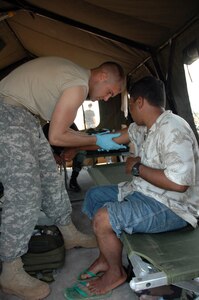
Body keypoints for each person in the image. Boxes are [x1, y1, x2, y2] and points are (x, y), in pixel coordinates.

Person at [0, 56, 126, 299]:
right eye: (110, 91)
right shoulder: (78, 84)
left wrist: (90, 140)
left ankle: (68, 232)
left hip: (26, 118)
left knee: (50, 178)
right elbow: (57, 137)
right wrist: (96, 141)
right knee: (24, 192)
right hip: (7, 114)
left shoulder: (74, 76)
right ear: (101, 76)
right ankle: (10, 270)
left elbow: (61, 131)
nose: (107, 98)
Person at [75, 76, 199, 298]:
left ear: (139, 102)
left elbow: (179, 185)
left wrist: (137, 168)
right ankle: (106, 257)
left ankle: (116, 272)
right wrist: (71, 142)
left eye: (130, 103)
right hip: (144, 192)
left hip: (173, 206)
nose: (130, 109)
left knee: (104, 218)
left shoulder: (173, 128)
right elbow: (114, 139)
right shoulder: (146, 127)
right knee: (94, 196)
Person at [43, 121, 86, 192]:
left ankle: (73, 180)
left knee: (81, 153)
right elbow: (43, 145)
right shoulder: (46, 128)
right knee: (44, 157)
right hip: (54, 151)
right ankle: (53, 182)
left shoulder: (71, 124)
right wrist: (53, 155)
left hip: (68, 148)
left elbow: (78, 140)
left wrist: (72, 151)